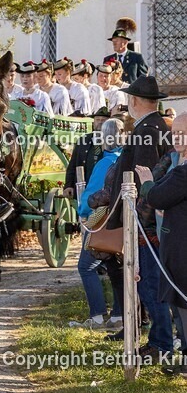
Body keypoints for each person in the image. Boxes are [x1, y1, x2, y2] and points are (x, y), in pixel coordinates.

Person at [102, 76, 174, 363]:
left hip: (145, 221)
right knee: (150, 282)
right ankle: (161, 341)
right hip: (150, 219)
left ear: (133, 101)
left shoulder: (147, 131)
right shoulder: (157, 127)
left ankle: (161, 343)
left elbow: (145, 178)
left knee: (149, 283)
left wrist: (140, 224)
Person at [136, 112, 187, 375]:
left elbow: (157, 196)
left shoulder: (183, 172)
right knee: (179, 314)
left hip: (181, 257)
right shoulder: (177, 165)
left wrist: (146, 184)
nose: (176, 138)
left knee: (184, 315)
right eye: (174, 133)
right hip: (175, 253)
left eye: (182, 133)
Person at [69, 118, 125, 330]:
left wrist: (82, 214)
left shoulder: (104, 163)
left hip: (100, 223)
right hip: (118, 223)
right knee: (115, 268)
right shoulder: (122, 159)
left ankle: (98, 316)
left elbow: (91, 195)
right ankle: (119, 316)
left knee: (85, 267)